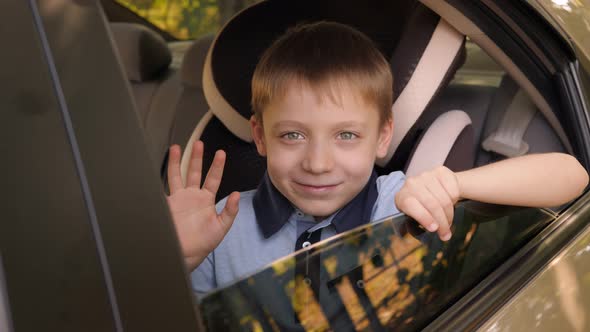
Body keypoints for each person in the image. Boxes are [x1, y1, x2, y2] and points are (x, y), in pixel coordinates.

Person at [165, 21, 588, 297]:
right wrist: (178, 261)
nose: (317, 163)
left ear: (383, 136)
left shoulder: (405, 205)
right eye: (292, 135)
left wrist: (454, 185)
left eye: (346, 135)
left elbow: (571, 175)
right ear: (259, 136)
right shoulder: (223, 224)